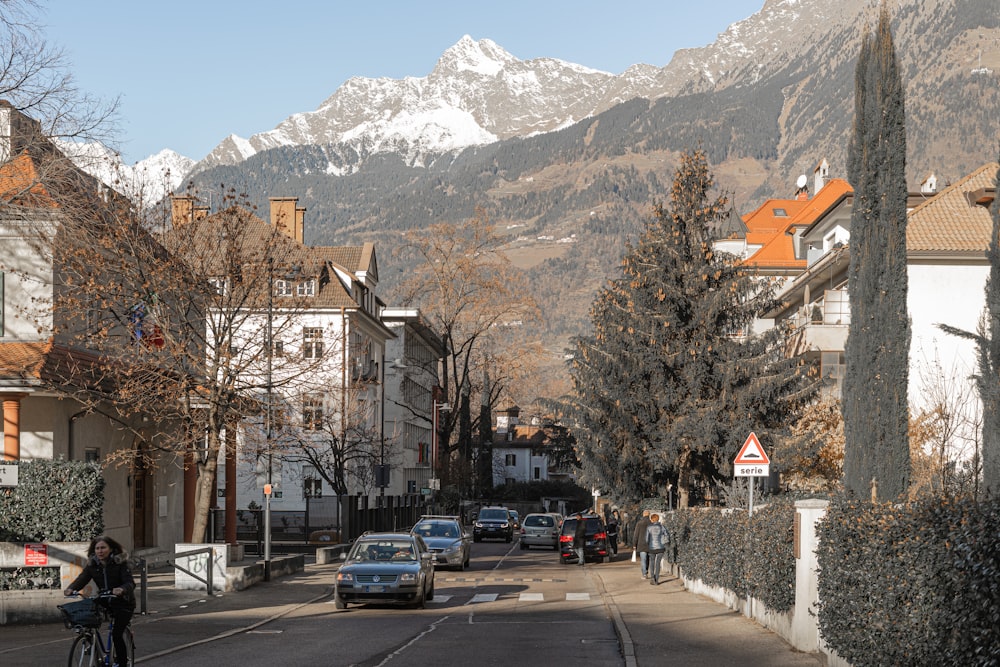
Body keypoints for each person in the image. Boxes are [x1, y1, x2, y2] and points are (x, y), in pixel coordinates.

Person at [64, 536, 135, 667]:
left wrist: (122, 589)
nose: (100, 551)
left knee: (116, 634)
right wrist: (71, 589)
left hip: (123, 602)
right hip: (104, 599)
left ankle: (123, 663)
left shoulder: (120, 564)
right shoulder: (93, 565)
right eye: (97, 548)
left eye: (103, 548)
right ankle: (91, 641)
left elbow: (130, 583)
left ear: (111, 549)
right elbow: (82, 578)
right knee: (88, 617)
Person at [645, 513, 669, 585]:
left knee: (652, 562)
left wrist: (649, 544)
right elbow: (667, 535)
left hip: (652, 548)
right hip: (660, 547)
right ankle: (657, 579)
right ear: (658, 519)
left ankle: (652, 577)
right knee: (658, 563)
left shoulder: (649, 527)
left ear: (652, 520)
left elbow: (646, 539)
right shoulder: (662, 527)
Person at [633, 509, 652, 579]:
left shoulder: (639, 523)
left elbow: (636, 535)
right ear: (649, 515)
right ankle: (647, 570)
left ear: (643, 514)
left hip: (641, 544)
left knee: (643, 559)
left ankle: (644, 574)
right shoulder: (651, 523)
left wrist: (634, 544)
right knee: (648, 559)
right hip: (650, 544)